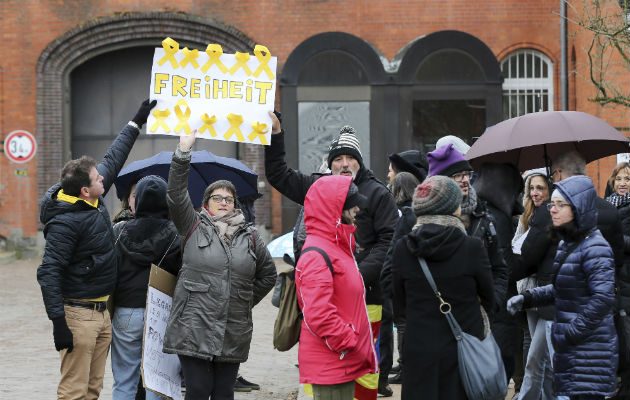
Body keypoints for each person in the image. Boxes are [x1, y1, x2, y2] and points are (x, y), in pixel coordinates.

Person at [264, 113, 398, 395]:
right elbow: (278, 174)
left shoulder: (377, 194)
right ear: (330, 163)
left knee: (364, 377)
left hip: (366, 297)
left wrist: (358, 276)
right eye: (338, 159)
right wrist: (276, 134)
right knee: (323, 367)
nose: (344, 163)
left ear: (359, 163)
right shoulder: (317, 187)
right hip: (320, 297)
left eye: (351, 158)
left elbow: (389, 241)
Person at [36, 99, 156, 399]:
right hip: (79, 316)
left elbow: (113, 158)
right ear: (86, 190)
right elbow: (48, 272)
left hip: (102, 313)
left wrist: (135, 122)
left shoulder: (91, 197)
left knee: (92, 389)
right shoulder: (65, 224)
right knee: (74, 391)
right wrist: (58, 324)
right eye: (98, 179)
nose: (104, 177)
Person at [163, 132, 276, 400]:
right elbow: (176, 195)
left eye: (229, 198)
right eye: (217, 197)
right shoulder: (191, 225)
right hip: (194, 326)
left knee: (224, 393)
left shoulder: (250, 236)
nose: (224, 201)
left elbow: (268, 275)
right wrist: (182, 152)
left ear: (235, 204)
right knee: (199, 390)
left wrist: (241, 298)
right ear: (205, 204)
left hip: (232, 327)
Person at [507, 175, 618, 400]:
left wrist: (571, 331)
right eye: (552, 204)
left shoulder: (595, 247)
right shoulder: (568, 243)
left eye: (560, 204)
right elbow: (561, 288)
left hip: (589, 353)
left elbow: (603, 299)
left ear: (578, 209)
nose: (553, 210)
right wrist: (528, 298)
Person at [392, 175, 495, 400]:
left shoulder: (403, 248)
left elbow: (398, 303)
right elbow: (490, 298)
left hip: (419, 348)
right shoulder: (471, 247)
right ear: (452, 207)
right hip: (464, 349)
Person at [296, 175, 377, 400]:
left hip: (340, 361)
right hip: (333, 363)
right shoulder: (318, 254)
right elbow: (318, 313)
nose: (358, 208)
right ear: (336, 208)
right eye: (352, 204)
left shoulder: (336, 246)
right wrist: (348, 342)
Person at [110, 175, 182, 400]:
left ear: (137, 200)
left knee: (124, 380)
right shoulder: (176, 234)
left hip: (126, 310)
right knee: (157, 381)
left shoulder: (119, 231)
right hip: (162, 312)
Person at [509, 171, 557, 400]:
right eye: (532, 188)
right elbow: (516, 247)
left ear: (550, 190)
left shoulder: (555, 214)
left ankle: (529, 394)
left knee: (539, 353)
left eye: (540, 188)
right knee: (532, 343)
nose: (535, 193)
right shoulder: (526, 215)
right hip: (528, 286)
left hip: (545, 289)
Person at [379, 171, 420, 386]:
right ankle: (404, 364)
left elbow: (398, 247)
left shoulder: (407, 214)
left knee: (402, 324)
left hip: (403, 279)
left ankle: (405, 366)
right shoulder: (415, 212)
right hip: (410, 278)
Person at [605, 162, 630, 399]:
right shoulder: (607, 206)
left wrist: (614, 238)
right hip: (613, 281)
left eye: (628, 179)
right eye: (619, 178)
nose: (623, 183)